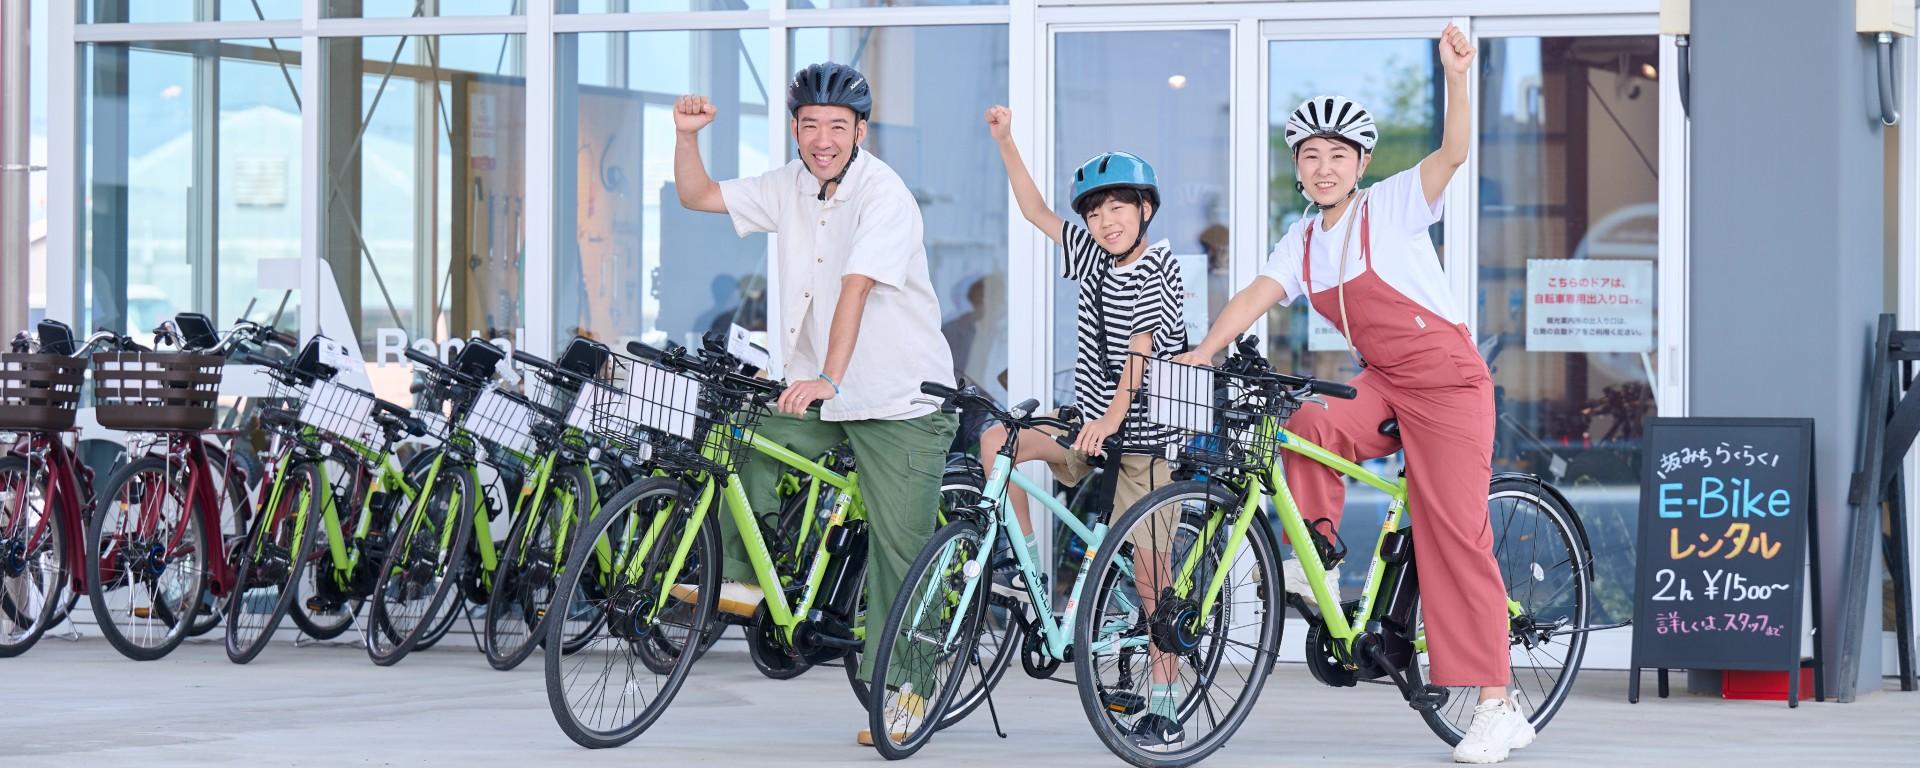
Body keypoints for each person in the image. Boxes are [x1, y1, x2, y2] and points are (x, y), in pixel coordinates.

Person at [1174, 25, 1531, 764]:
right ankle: (1321, 554)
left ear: (1361, 164)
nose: (1324, 166)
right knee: (1301, 418)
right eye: (1311, 155)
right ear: (1298, 171)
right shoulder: (1301, 239)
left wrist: (1457, 78)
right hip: (1384, 383)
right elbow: (1256, 295)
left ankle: (1497, 703)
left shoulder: (1393, 206)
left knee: (1451, 533)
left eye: (1339, 154)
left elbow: (1453, 153)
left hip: (1449, 385)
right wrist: (1206, 350)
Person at [671, 62, 958, 745]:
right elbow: (700, 195)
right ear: (795, 130)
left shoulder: (884, 195)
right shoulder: (791, 184)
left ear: (861, 131)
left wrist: (829, 378)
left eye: (837, 126)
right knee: (743, 441)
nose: (822, 138)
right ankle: (740, 580)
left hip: (898, 400)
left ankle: (912, 688)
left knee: (900, 552)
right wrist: (686, 137)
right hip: (821, 390)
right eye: (809, 125)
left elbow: (856, 289)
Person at [982, 105, 1189, 750]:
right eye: (1095, 213)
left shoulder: (1160, 267)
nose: (1103, 221)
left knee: (1153, 576)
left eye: (1117, 209)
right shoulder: (1092, 257)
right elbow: (1037, 210)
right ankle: (1026, 575)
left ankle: (1162, 698)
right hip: (1090, 427)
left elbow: (1142, 350)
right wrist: (1007, 142)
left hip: (1142, 441)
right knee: (999, 442)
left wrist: (1111, 419)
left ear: (1145, 211)